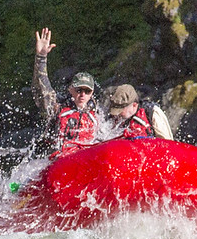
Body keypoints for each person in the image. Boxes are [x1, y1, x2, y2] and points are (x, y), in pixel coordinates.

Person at [31, 27, 98, 156]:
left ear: (92, 93)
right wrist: (41, 57)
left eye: (87, 91)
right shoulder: (58, 107)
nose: (82, 94)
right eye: (79, 90)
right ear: (71, 90)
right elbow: (41, 88)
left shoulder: (96, 112)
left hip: (84, 159)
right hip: (57, 160)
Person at [107, 84, 174, 140]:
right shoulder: (114, 118)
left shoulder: (152, 113)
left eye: (120, 110)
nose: (116, 114)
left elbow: (168, 143)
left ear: (134, 105)